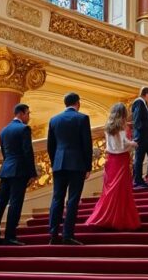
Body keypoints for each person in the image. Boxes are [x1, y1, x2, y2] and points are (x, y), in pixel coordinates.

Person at [47, 92, 93, 245]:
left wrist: (55, 162)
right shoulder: (82, 118)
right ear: (78, 103)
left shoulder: (54, 120)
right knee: (72, 200)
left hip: (59, 164)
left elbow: (50, 146)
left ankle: (53, 234)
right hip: (77, 164)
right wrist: (88, 166)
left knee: (57, 198)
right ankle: (67, 235)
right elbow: (87, 144)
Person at [86, 103, 141, 231]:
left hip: (111, 160)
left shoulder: (108, 127)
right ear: (123, 113)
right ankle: (121, 218)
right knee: (122, 189)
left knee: (110, 189)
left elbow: (111, 144)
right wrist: (134, 143)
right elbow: (124, 142)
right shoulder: (122, 125)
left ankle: (106, 216)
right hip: (121, 159)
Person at [0, 103, 35, 246]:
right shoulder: (24, 129)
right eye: (28, 113)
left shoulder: (4, 130)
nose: (29, 116)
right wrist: (32, 172)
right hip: (19, 170)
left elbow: (4, 152)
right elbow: (28, 152)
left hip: (6, 169)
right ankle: (10, 236)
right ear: (21, 114)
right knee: (15, 203)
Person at [131, 87, 148, 189]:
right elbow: (137, 120)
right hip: (141, 136)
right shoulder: (139, 102)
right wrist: (139, 136)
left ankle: (140, 178)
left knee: (142, 158)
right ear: (147, 94)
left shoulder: (144, 103)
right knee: (139, 159)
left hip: (145, 136)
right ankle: (137, 181)